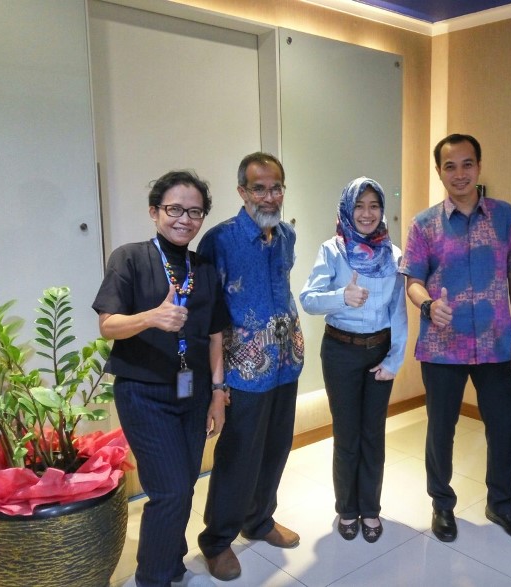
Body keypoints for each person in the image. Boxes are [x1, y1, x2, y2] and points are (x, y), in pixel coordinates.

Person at [93, 170, 230, 587]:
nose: (184, 219)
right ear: (155, 212)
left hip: (195, 391)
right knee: (169, 491)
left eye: (195, 212)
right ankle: (152, 577)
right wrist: (151, 317)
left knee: (184, 485)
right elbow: (108, 325)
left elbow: (215, 336)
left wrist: (218, 393)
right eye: (174, 209)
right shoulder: (130, 258)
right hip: (144, 393)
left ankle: (171, 563)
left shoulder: (203, 269)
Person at [400, 133, 511, 544]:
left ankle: (502, 504)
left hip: (497, 342)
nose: (459, 174)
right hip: (443, 346)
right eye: (450, 166)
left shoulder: (505, 216)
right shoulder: (424, 224)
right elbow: (413, 281)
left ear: (478, 166)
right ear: (439, 171)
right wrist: (427, 305)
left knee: (504, 425)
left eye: (467, 164)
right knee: (441, 429)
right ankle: (442, 504)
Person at [196, 152, 304, 581]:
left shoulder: (287, 235)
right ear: (242, 191)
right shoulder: (219, 241)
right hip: (243, 370)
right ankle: (217, 540)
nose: (269, 196)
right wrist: (216, 384)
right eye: (259, 188)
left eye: (276, 187)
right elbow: (208, 315)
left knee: (276, 448)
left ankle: (259, 520)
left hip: (286, 362)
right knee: (238, 456)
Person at [299, 177, 407, 543]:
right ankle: (347, 508)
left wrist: (394, 359)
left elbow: (398, 311)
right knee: (346, 434)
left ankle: (370, 508)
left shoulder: (393, 255)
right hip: (340, 351)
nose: (366, 213)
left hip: (379, 351)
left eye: (374, 206)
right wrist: (341, 297)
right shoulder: (333, 250)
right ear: (347, 208)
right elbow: (308, 299)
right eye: (359, 205)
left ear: (382, 211)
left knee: (373, 434)